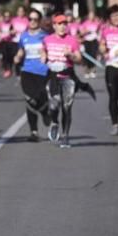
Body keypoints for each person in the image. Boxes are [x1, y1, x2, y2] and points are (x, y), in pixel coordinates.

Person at [41, 14, 83, 148]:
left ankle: (65, 136)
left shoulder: (72, 40)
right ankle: (54, 122)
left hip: (68, 76)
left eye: (64, 23)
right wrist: (43, 56)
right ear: (54, 25)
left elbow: (79, 59)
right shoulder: (47, 39)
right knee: (54, 105)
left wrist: (70, 55)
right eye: (59, 24)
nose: (62, 26)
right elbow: (43, 51)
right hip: (52, 76)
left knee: (67, 107)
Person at [14, 9, 51, 142]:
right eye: (30, 19)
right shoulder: (24, 36)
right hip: (27, 71)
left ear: (40, 21)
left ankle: (45, 110)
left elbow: (50, 51)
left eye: (35, 19)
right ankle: (33, 132)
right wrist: (17, 57)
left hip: (42, 71)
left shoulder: (45, 36)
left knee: (39, 97)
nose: (33, 21)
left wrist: (45, 55)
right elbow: (21, 50)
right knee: (30, 99)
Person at [99, 5, 118, 135]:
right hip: (111, 67)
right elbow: (102, 45)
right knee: (113, 96)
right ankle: (115, 124)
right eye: (113, 16)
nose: (115, 18)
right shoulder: (106, 31)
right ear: (109, 18)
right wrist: (103, 51)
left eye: (117, 15)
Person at [78, 10, 101, 78]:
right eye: (90, 15)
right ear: (88, 16)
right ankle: (87, 71)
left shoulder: (96, 23)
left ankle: (93, 71)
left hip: (94, 41)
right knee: (87, 56)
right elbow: (81, 33)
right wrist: (86, 31)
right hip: (87, 41)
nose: (91, 17)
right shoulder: (85, 23)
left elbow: (99, 32)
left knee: (93, 55)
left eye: (93, 15)